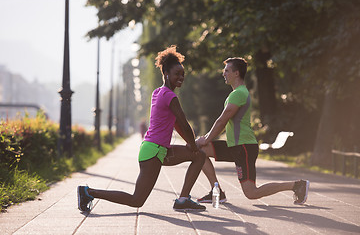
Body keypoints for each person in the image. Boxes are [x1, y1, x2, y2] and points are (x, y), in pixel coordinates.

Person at [77, 45, 206, 212]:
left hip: (160, 150)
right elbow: (184, 124)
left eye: (182, 74)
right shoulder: (170, 96)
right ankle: (89, 192)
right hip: (154, 151)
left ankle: (183, 199)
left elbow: (175, 123)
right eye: (177, 74)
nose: (181, 77)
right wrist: (193, 144)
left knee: (199, 156)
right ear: (166, 74)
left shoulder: (158, 92)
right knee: (136, 200)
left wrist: (192, 147)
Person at [196, 57, 309, 205]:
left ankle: (296, 185)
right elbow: (224, 122)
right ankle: (216, 191)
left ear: (236, 73)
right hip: (235, 146)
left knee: (251, 193)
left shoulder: (239, 94)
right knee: (201, 151)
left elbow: (222, 120)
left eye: (227, 71)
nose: (224, 73)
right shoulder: (237, 93)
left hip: (244, 147)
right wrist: (205, 140)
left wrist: (206, 138)